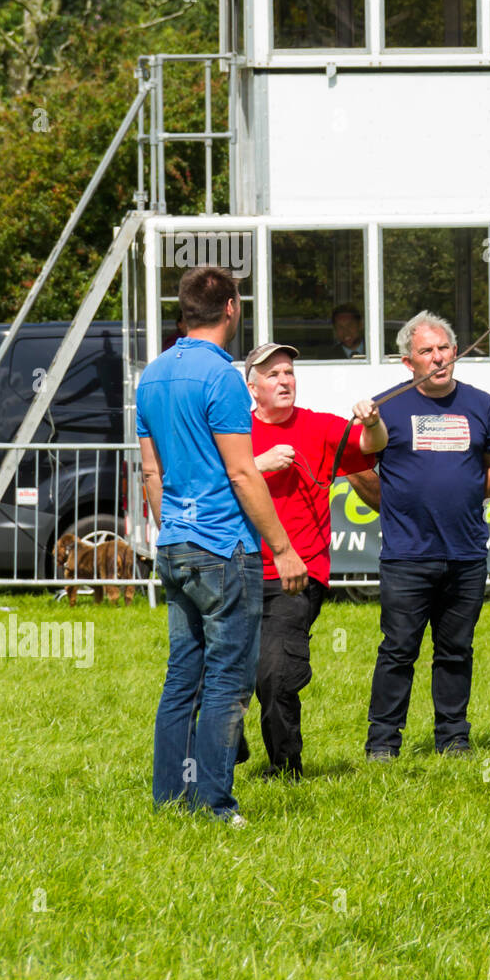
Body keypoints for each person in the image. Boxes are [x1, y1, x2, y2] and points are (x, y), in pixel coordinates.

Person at [136, 266, 307, 827]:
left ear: (184, 311)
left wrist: (173, 532)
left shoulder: (151, 375)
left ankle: (170, 799)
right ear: (231, 308)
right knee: (229, 683)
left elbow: (151, 474)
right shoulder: (224, 379)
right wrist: (281, 547)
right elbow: (242, 472)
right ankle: (213, 804)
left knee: (182, 675)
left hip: (175, 543)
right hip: (223, 547)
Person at [363, 311, 490, 759]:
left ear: (456, 351)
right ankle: (383, 744)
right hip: (407, 556)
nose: (437, 357)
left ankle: (453, 738)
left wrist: (467, 498)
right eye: (426, 351)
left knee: (456, 651)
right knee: (398, 650)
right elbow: (358, 466)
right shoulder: (383, 407)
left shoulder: (482, 404)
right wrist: (396, 506)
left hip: (466, 553)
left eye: (444, 347)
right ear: (409, 362)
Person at [246, 342, 387, 779]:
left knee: (275, 672)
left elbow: (371, 445)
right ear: (253, 387)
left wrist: (374, 421)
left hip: (299, 573)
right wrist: (259, 465)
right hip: (240, 568)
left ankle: (285, 767)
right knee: (225, 669)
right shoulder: (235, 434)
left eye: (288, 372)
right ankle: (224, 751)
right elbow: (216, 485)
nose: (284, 380)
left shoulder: (320, 427)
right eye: (272, 374)